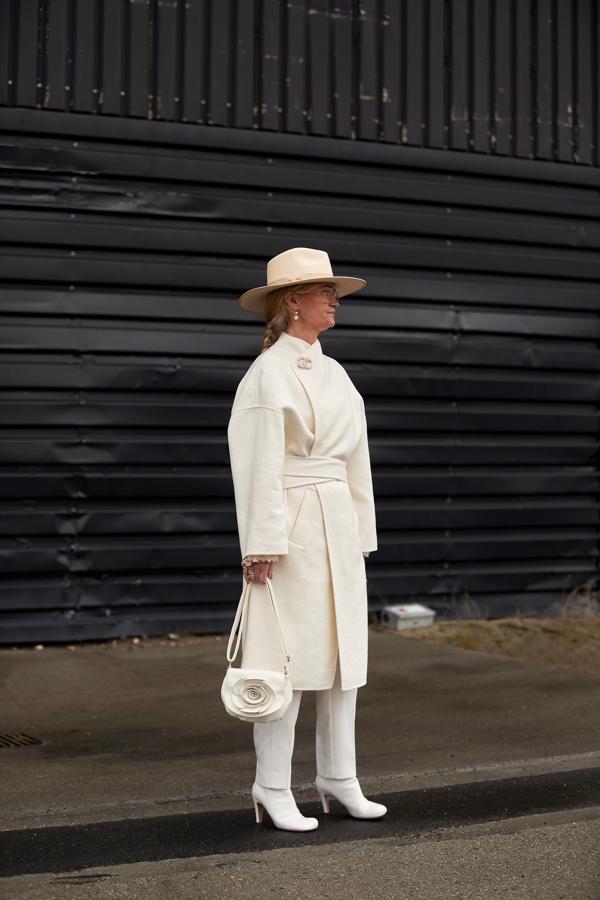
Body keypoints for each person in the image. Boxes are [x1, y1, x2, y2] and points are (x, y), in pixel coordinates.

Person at [227, 247, 387, 831]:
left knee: (344, 657)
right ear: (291, 301)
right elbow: (256, 462)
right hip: (290, 528)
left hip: (337, 525)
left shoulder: (337, 372)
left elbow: (357, 460)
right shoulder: (267, 373)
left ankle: (338, 776)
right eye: (325, 292)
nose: (334, 301)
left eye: (334, 291)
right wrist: (261, 544)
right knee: (282, 662)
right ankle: (271, 785)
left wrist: (361, 532)